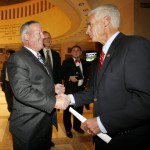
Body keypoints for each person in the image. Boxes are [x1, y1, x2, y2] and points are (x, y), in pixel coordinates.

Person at [58, 4, 150, 149]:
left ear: (106, 21)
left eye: (90, 24)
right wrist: (69, 98)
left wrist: (103, 123)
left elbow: (146, 101)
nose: (87, 30)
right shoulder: (99, 59)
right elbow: (95, 92)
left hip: (127, 140)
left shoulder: (134, 46)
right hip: (103, 139)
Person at [7, 20, 68, 150]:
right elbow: (23, 91)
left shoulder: (38, 57)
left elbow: (36, 82)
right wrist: (54, 103)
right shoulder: (18, 58)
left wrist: (53, 87)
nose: (43, 36)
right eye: (39, 33)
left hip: (42, 122)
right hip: (28, 126)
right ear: (26, 37)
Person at [39, 31, 62, 146]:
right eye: (45, 38)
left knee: (51, 115)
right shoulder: (36, 54)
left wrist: (59, 89)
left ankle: (48, 139)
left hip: (54, 91)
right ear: (41, 39)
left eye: (49, 38)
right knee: (42, 116)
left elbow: (58, 73)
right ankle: (41, 139)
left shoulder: (56, 54)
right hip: (41, 92)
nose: (48, 40)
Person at [61, 45, 88, 138]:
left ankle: (77, 127)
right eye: (73, 50)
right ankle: (68, 129)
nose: (75, 52)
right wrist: (69, 78)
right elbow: (62, 74)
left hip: (81, 91)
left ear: (81, 52)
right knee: (68, 111)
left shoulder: (85, 62)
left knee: (79, 110)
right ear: (71, 52)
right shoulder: (66, 62)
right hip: (70, 91)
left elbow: (87, 75)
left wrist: (86, 85)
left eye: (78, 50)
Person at [1, 49, 15, 119]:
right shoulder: (5, 63)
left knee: (15, 100)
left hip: (14, 84)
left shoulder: (17, 63)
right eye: (6, 54)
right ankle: (11, 113)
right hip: (6, 84)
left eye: (7, 54)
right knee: (8, 100)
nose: (6, 56)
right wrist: (1, 81)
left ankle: (16, 114)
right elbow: (3, 72)